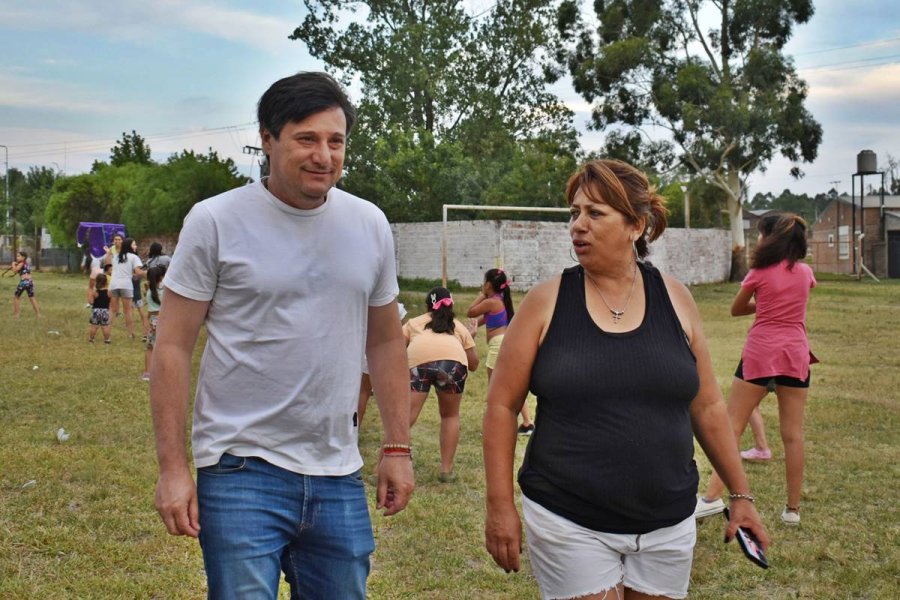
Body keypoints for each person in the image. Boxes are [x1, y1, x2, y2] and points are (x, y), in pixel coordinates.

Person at [150, 71, 414, 599]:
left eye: (336, 141)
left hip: (337, 469)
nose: (324, 155)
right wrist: (173, 469)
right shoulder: (216, 220)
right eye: (306, 139)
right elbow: (173, 346)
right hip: (240, 467)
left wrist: (397, 447)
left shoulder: (369, 224)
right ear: (268, 140)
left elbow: (386, 341)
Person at [482, 159, 767, 600]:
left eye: (595, 213)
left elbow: (707, 405)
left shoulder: (676, 298)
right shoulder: (546, 302)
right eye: (574, 213)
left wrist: (741, 495)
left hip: (669, 520)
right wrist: (499, 505)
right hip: (568, 518)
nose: (578, 225)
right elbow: (502, 406)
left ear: (636, 225)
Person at [696, 212, 816, 526]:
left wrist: (761, 304)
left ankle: (710, 499)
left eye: (761, 234)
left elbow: (736, 309)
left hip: (761, 354)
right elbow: (797, 300)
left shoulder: (759, 272)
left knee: (732, 426)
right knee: (793, 434)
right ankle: (792, 510)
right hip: (796, 355)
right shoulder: (805, 273)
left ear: (770, 238)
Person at [404, 287, 479, 482]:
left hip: (419, 363)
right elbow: (473, 365)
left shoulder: (414, 323)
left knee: (404, 418)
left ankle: (380, 469)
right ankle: (446, 471)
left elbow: (396, 348)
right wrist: (469, 339)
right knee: (450, 416)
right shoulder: (458, 327)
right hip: (453, 365)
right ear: (451, 305)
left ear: (427, 306)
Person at [466, 269, 535, 435]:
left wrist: (482, 295)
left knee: (494, 389)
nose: (483, 284)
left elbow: (470, 311)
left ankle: (494, 427)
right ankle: (527, 423)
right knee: (512, 385)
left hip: (497, 346)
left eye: (484, 282)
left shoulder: (491, 301)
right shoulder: (500, 300)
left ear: (489, 285)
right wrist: (472, 327)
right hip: (504, 343)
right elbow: (485, 319)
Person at [357, 302, 407, 428]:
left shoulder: (358, 304)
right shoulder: (395, 307)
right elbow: (402, 334)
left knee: (363, 393)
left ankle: (354, 430)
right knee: (391, 394)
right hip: (385, 356)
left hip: (362, 352)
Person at [108, 237, 143, 338]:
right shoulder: (134, 257)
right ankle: (130, 334)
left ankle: (107, 332)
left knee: (112, 310)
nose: (135, 246)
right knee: (128, 311)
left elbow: (111, 268)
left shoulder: (116, 256)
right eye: (133, 244)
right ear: (129, 246)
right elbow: (138, 272)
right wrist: (149, 273)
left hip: (114, 285)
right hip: (126, 285)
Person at [141, 265, 166, 381]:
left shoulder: (149, 292)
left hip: (154, 321)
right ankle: (163, 372)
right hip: (166, 320)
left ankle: (147, 373)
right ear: (161, 277)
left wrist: (146, 326)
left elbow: (150, 312)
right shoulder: (166, 290)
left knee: (150, 348)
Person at [130, 240, 150, 341]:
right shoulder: (129, 257)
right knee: (132, 314)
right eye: (133, 244)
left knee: (140, 314)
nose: (135, 246)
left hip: (134, 293)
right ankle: (132, 333)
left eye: (135, 244)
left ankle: (144, 334)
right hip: (132, 293)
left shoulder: (136, 258)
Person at [12, 251, 41, 318]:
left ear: (23, 257)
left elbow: (15, 270)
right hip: (30, 282)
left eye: (18, 256)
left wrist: (13, 264)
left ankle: (17, 314)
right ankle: (38, 314)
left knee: (16, 297)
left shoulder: (21, 263)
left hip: (23, 282)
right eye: (17, 256)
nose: (17, 257)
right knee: (32, 297)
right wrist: (16, 264)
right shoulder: (26, 264)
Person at [88, 272, 112, 343]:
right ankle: (107, 339)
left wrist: (91, 296)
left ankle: (91, 339)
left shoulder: (95, 292)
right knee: (105, 326)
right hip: (105, 311)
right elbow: (111, 303)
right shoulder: (109, 292)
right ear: (106, 282)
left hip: (96, 311)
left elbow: (91, 302)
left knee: (94, 326)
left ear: (97, 282)